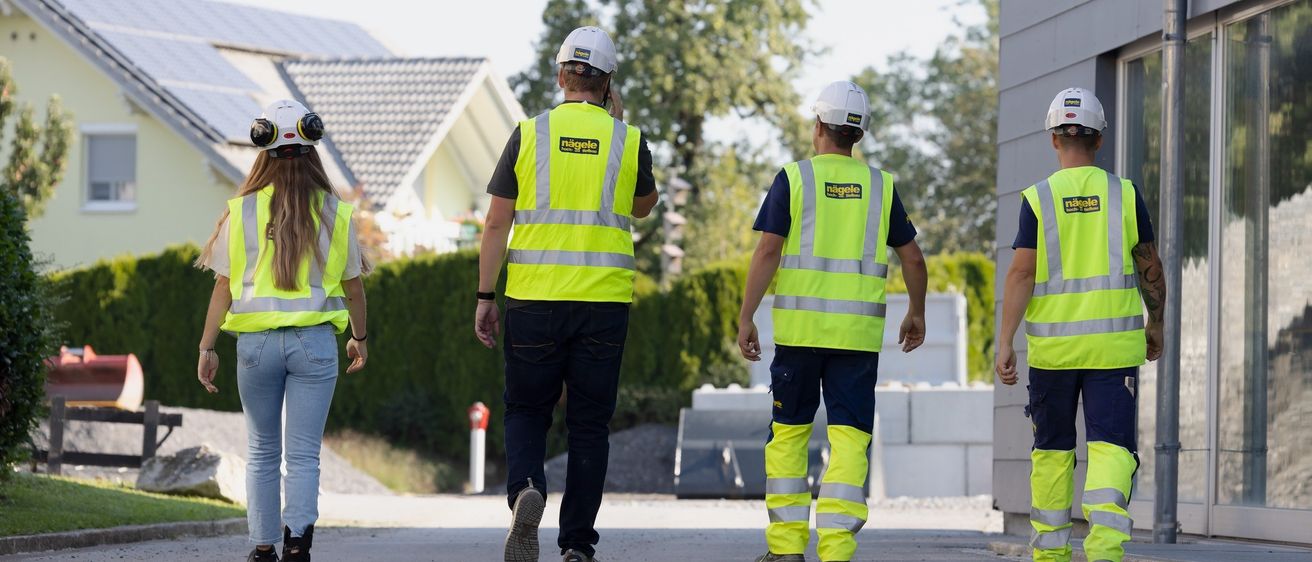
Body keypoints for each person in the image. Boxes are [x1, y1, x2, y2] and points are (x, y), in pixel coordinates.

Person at [474, 26, 659, 562]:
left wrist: (486, 295)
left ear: (561, 76)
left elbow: (494, 224)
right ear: (607, 84)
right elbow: (643, 206)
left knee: (527, 409)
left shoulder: (528, 134)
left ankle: (527, 488)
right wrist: (617, 124)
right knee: (589, 424)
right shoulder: (629, 141)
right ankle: (577, 543)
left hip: (534, 300)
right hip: (603, 305)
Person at [737, 81, 928, 562]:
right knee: (849, 439)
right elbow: (914, 259)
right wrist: (916, 312)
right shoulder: (882, 187)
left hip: (800, 337)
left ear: (818, 126)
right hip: (857, 341)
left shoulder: (794, 179)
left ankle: (785, 551)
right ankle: (838, 550)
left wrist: (746, 317)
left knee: (789, 434)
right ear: (857, 135)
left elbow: (767, 250)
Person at [995, 87, 1166, 562]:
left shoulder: (1039, 198)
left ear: (1054, 138)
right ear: (1099, 139)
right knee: (1111, 450)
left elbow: (1021, 273)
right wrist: (1157, 322)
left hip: (1053, 355)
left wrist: (1005, 341)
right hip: (1114, 353)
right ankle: (1106, 552)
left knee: (1051, 451)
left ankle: (1050, 555)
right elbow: (1149, 264)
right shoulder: (1125, 195)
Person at [196, 99, 371, 562]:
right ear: (313, 151)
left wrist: (206, 347)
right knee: (304, 454)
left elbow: (222, 290)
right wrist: (359, 337)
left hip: (255, 348)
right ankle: (297, 543)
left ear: (263, 151)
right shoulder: (337, 213)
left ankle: (261, 546)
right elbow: (353, 289)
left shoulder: (242, 213)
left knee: (261, 451)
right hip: (314, 345)